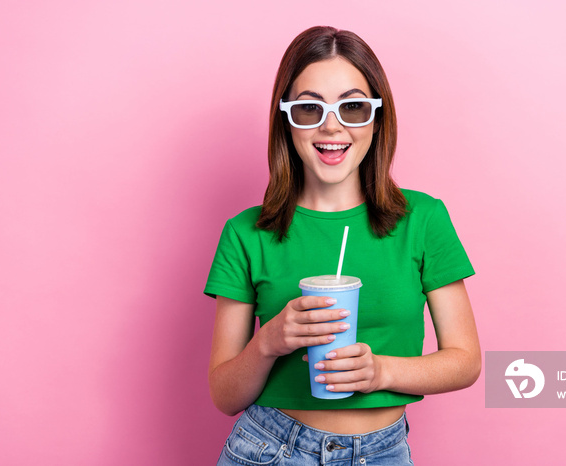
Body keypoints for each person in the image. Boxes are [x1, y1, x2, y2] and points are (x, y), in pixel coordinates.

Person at [205, 26, 481, 465]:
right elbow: (224, 394)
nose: (331, 125)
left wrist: (380, 371)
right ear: (286, 119)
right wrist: (268, 342)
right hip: (269, 449)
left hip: (383, 452)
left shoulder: (423, 220)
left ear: (376, 117)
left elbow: (466, 361)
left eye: (352, 107)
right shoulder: (245, 233)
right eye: (309, 108)